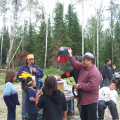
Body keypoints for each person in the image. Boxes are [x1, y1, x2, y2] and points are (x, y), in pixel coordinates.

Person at [68, 48, 101, 120]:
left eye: (84, 60)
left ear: (90, 61)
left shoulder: (95, 72)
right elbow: (75, 64)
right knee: (83, 118)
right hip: (82, 100)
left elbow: (92, 86)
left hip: (90, 102)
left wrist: (79, 86)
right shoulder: (83, 67)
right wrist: (70, 55)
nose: (82, 61)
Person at [17, 54, 43, 119]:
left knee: (36, 102)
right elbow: (19, 76)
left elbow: (41, 75)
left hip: (35, 88)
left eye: (32, 59)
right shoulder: (23, 67)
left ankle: (36, 116)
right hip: (26, 88)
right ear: (27, 60)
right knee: (25, 103)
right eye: (30, 59)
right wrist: (24, 79)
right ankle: (24, 116)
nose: (31, 61)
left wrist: (36, 71)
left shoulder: (36, 67)